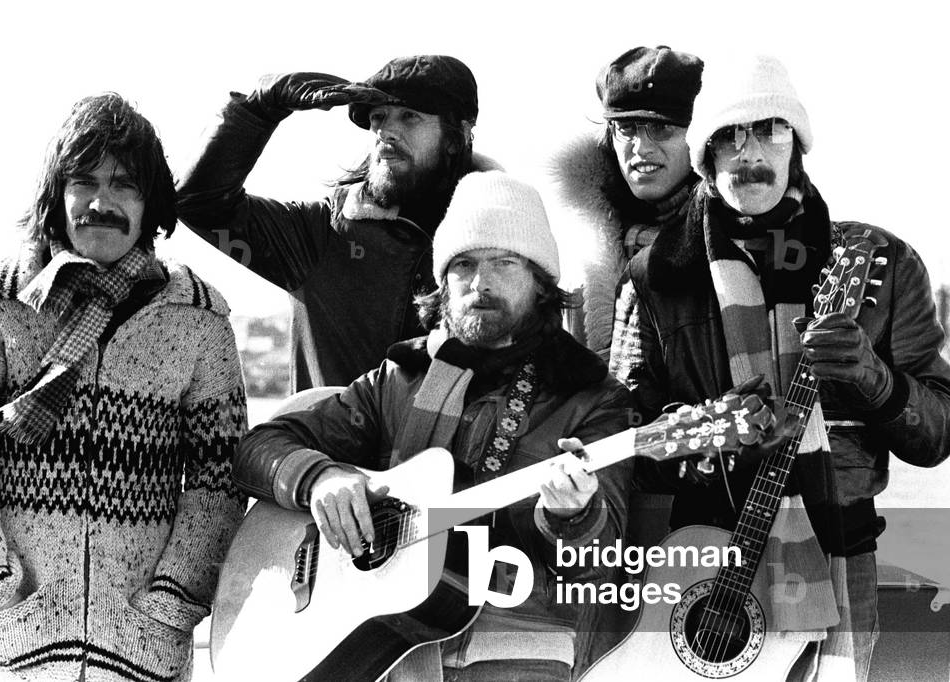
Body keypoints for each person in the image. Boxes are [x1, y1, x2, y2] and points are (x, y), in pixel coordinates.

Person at [618, 54, 950, 680]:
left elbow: (938, 434)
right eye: (728, 135)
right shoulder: (655, 277)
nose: (749, 153)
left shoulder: (880, 258)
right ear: (706, 154)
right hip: (701, 563)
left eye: (770, 130)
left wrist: (874, 381)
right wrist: (702, 433)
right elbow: (625, 431)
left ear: (797, 146)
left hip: (839, 552)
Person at [232, 171, 633, 680]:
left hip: (517, 654)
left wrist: (574, 517)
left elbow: (603, 570)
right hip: (387, 652)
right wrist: (320, 479)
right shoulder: (400, 381)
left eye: (504, 263)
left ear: (541, 282)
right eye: (463, 264)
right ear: (442, 283)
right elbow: (258, 448)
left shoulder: (594, 398)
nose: (480, 282)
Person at [0, 93, 248, 681]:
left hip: (145, 649)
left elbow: (219, 479)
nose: (103, 202)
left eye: (125, 185)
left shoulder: (198, 320)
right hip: (20, 643)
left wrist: (171, 605)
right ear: (57, 195)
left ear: (151, 203)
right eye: (84, 181)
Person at [177, 55, 498, 392]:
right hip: (321, 445)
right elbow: (198, 203)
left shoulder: (506, 246)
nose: (386, 131)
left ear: (456, 136)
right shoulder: (321, 235)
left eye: (409, 117)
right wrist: (258, 108)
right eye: (378, 117)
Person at [549, 45, 702, 377]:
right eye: (627, 128)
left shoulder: (731, 235)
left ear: (700, 136)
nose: (641, 148)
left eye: (662, 128)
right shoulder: (574, 244)